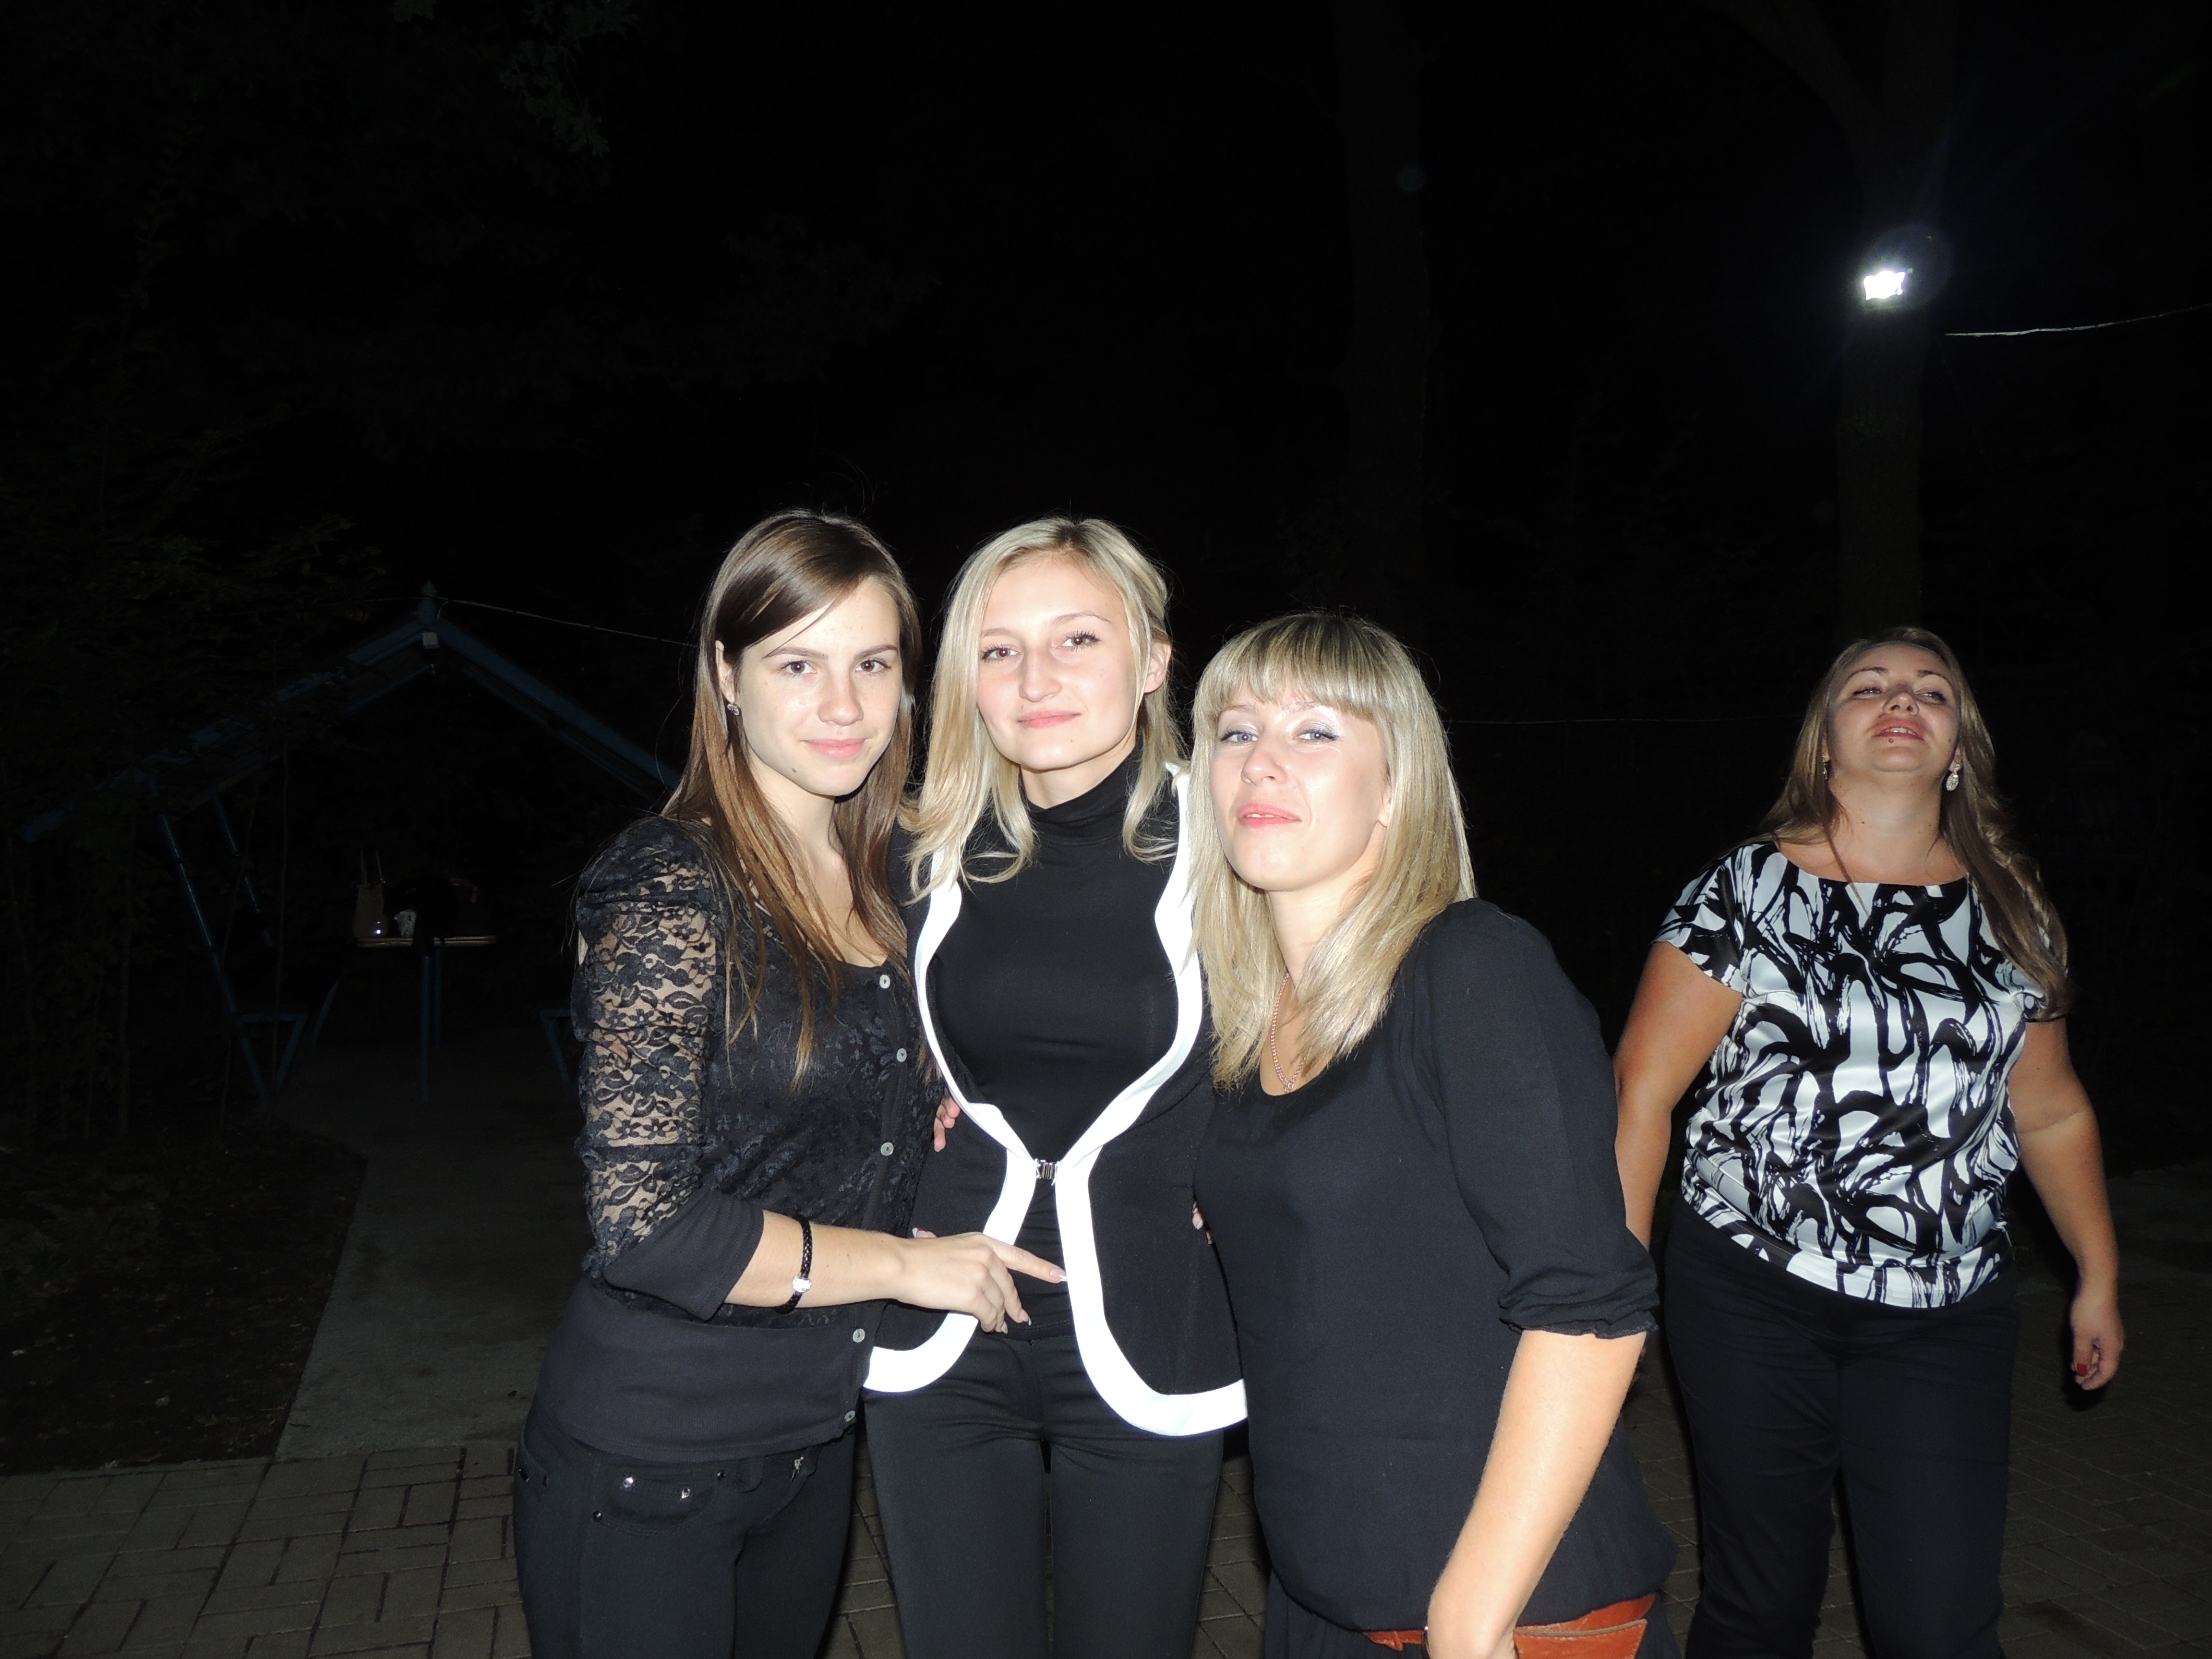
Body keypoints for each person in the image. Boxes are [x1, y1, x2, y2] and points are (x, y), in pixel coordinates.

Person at [514, 511, 1060, 1659]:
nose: (844, 706)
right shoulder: (671, 887)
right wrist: (907, 1266)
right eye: (797, 665)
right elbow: (646, 1227)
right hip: (649, 1465)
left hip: (811, 1451)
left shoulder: (892, 878)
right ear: (727, 677)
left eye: (874, 665)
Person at [1613, 627, 2124, 1659]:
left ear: (1959, 748)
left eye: (1932, 692)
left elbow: (2051, 1110)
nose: (1902, 701)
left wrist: (2098, 1277)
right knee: (1762, 1607)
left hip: (1945, 1314)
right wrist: (1617, 1290)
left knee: (1939, 1627)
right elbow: (1641, 1092)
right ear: (1825, 741)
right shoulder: (1746, 889)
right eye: (1870, 687)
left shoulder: (2012, 907)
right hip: (1751, 1287)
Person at [1190, 612, 1678, 1659]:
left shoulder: (1472, 968)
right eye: (1236, 731)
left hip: (1506, 1613)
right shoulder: (1242, 1026)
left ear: (1395, 787)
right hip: (1320, 1597)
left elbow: (1593, 1308)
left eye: (1316, 732)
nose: (1262, 760)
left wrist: (1471, 1615)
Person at [862, 517, 1244, 1659]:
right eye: (1000, 649)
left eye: (1078, 639)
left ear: (1154, 659)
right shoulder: (916, 847)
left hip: (1151, 1315)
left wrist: (1248, 1151)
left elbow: (1344, 1027)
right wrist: (907, 1095)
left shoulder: (1239, 835)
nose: (1036, 679)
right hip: (939, 1317)